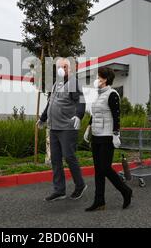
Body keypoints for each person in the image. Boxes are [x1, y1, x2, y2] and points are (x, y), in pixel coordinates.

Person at [36, 58, 87, 201]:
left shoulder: (73, 82)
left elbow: (81, 100)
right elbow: (50, 103)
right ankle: (59, 190)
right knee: (55, 159)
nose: (62, 69)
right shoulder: (55, 84)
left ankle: (80, 185)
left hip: (67, 128)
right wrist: (43, 118)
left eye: (65, 66)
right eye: (59, 67)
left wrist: (79, 115)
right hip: (53, 128)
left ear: (70, 68)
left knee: (69, 156)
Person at [83, 67, 132, 211]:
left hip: (107, 136)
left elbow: (116, 116)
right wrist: (89, 127)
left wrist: (116, 134)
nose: (96, 79)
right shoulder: (98, 94)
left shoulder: (112, 94)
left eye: (99, 77)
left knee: (105, 168)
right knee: (98, 170)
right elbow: (96, 113)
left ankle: (125, 191)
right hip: (96, 136)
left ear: (105, 79)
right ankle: (99, 201)